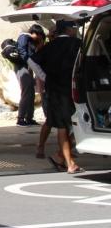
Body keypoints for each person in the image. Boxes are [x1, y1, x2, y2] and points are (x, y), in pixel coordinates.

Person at [31, 19, 84, 174]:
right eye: (74, 27)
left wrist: (44, 77)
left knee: (60, 125)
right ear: (68, 29)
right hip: (70, 90)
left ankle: (61, 158)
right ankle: (68, 162)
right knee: (69, 127)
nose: (75, 30)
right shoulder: (77, 44)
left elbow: (32, 61)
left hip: (53, 90)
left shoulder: (50, 46)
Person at [15, 23, 46, 127]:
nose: (39, 38)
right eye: (39, 35)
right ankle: (20, 119)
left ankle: (29, 118)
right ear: (35, 33)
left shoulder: (31, 41)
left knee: (31, 93)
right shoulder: (24, 36)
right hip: (22, 67)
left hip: (28, 68)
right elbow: (22, 51)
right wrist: (29, 61)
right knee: (26, 91)